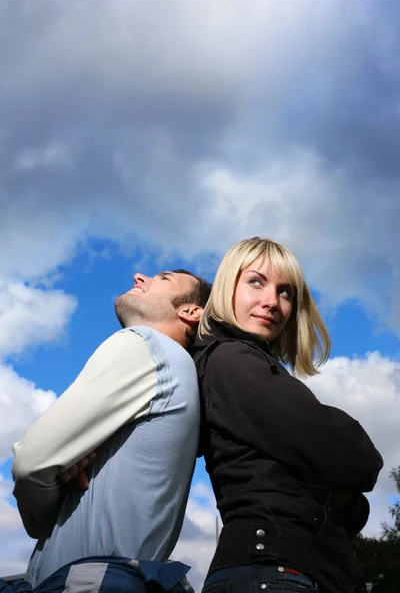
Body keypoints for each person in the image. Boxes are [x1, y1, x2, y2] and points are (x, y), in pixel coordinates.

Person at [193, 237, 383, 593]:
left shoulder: (246, 363)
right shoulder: (231, 360)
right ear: (226, 286)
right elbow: (356, 456)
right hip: (272, 571)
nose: (272, 302)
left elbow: (353, 510)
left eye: (286, 292)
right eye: (256, 281)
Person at [8, 269, 211, 593]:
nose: (139, 275)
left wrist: (51, 496)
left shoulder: (148, 344)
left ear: (189, 312)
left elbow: (32, 463)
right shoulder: (182, 376)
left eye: (164, 278)